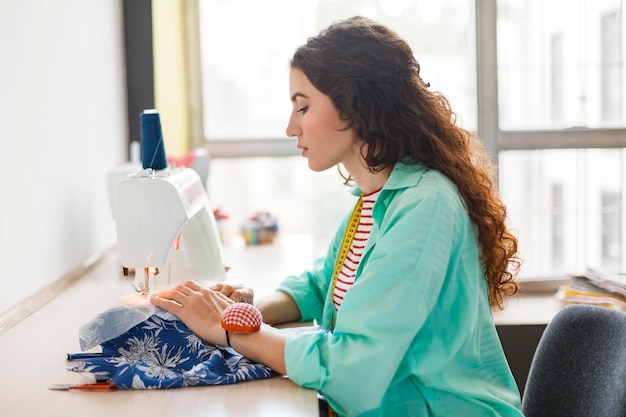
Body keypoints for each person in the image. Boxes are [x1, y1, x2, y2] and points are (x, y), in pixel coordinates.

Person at [150, 16, 523, 417]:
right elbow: (320, 284)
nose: (291, 126)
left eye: (303, 107)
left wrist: (229, 329)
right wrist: (245, 307)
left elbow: (351, 367)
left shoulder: (426, 205)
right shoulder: (376, 198)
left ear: (354, 106)